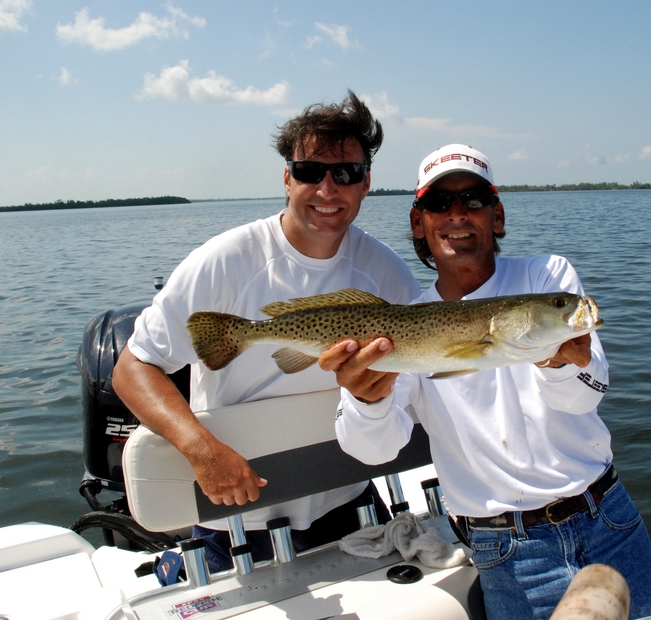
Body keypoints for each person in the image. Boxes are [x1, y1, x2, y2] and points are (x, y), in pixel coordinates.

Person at [325, 144, 651, 619]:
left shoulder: (548, 278)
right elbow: (373, 450)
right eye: (438, 203)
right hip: (507, 549)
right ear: (418, 223)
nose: (457, 214)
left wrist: (557, 363)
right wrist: (366, 399)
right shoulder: (401, 326)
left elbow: (582, 398)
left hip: (608, 518)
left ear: (498, 215)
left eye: (473, 200)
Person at [112, 91, 420, 572]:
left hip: (350, 499)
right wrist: (200, 449)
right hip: (237, 514)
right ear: (287, 178)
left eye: (346, 173)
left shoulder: (388, 273)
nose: (327, 189)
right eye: (310, 171)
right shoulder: (223, 261)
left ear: (366, 184)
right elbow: (133, 368)